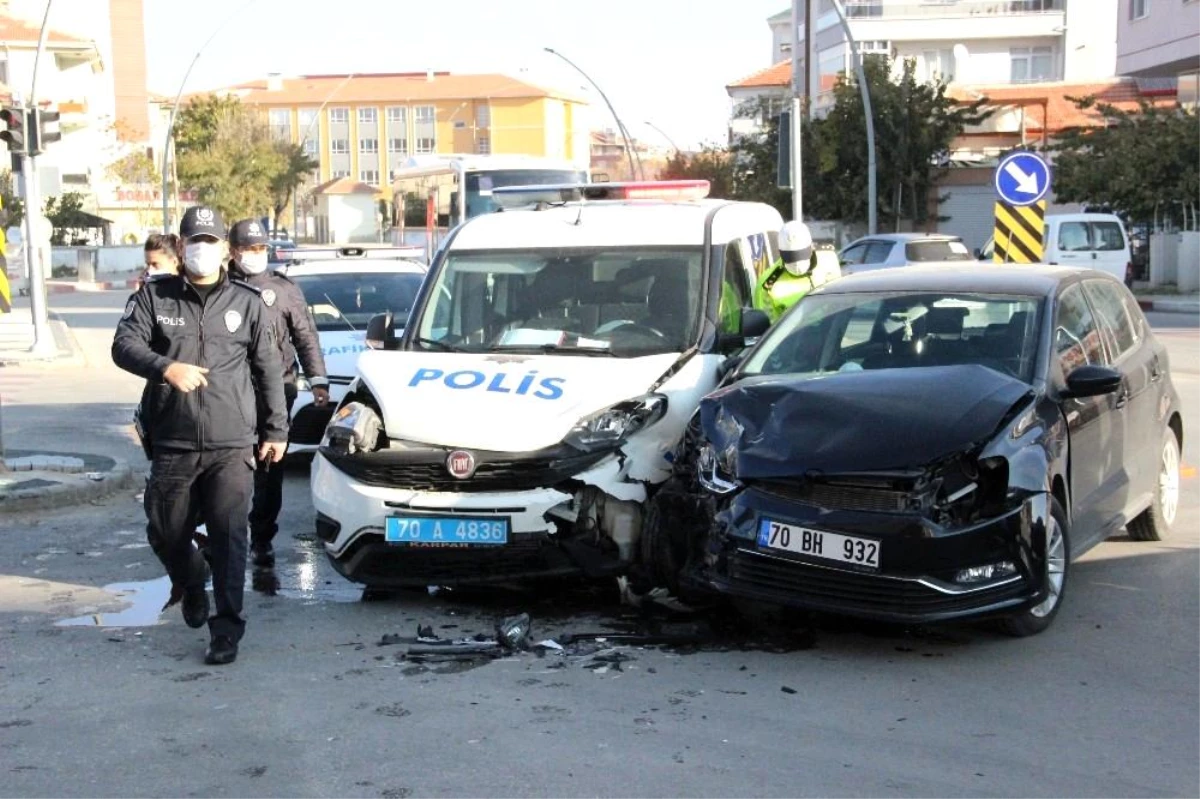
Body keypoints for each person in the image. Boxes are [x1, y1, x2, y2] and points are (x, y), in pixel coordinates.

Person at [113, 206, 288, 666]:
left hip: (232, 442)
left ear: (225, 249)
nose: (202, 249)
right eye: (195, 240)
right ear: (180, 244)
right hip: (173, 440)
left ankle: (226, 630)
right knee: (166, 531)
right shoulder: (156, 298)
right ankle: (191, 581)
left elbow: (268, 370)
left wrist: (276, 429)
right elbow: (123, 346)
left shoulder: (248, 303)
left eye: (211, 241)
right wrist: (166, 368)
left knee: (231, 537)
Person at [227, 218, 329, 590]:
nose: (254, 255)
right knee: (230, 467)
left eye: (260, 248)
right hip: (231, 392)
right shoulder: (220, 287)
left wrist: (318, 380)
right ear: (232, 251)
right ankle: (228, 533)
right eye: (247, 248)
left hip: (278, 391)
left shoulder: (282, 290)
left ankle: (263, 538)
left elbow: (305, 335)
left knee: (270, 470)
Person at [754, 221, 817, 324]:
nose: (796, 264)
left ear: (811, 247)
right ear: (780, 253)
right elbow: (768, 328)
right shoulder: (767, 285)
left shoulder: (828, 265)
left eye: (801, 254)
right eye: (790, 257)